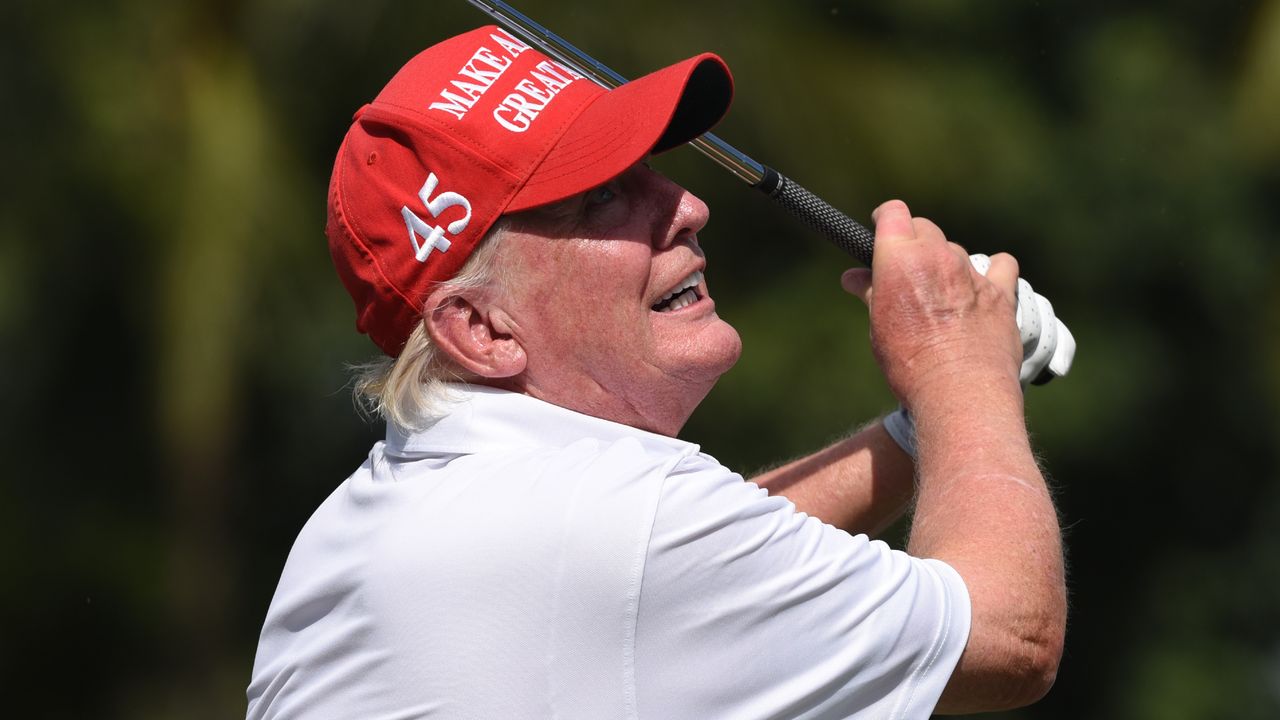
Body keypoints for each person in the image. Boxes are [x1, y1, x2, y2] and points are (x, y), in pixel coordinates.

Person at [246, 25, 1066, 719]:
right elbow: (1008, 637)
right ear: (481, 328)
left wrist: (937, 420)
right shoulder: (608, 520)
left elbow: (705, 560)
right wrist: (961, 360)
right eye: (600, 196)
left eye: (645, 172)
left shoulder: (376, 513)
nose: (688, 205)